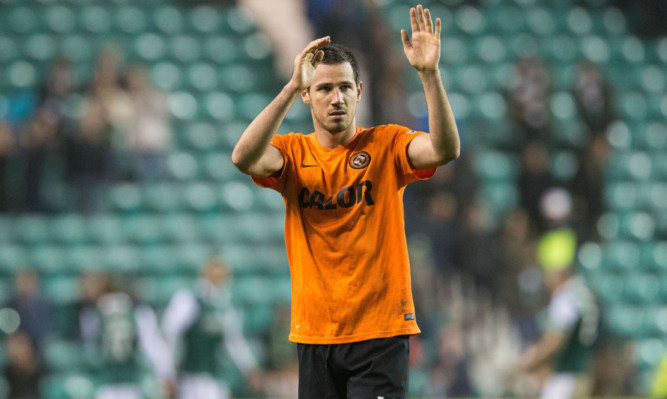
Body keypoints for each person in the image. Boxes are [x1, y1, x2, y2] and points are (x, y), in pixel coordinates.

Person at [231, 4, 460, 398]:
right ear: (307, 95)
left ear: (359, 92)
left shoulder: (387, 144)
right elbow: (243, 157)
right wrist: (288, 88)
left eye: (344, 88)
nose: (335, 98)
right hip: (316, 335)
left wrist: (429, 75)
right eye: (323, 88)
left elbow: (443, 148)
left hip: (381, 333)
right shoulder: (292, 154)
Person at [161, 256, 260, 399]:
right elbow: (170, 333)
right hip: (190, 375)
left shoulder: (225, 305)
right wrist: (169, 369)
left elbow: (234, 342)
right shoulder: (189, 300)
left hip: (215, 375)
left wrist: (249, 367)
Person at [518, 228, 600, 399]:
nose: (545, 276)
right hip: (581, 373)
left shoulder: (566, 297)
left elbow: (556, 339)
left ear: (559, 270)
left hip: (567, 377)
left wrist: (531, 358)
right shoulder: (581, 290)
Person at [80, 274, 176, 399]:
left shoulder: (92, 314)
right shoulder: (137, 310)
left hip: (106, 384)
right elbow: (154, 346)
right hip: (133, 384)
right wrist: (166, 372)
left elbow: (90, 349)